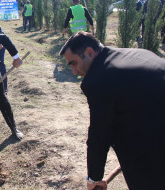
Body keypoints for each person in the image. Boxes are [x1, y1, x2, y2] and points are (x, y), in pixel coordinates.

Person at [59, 31, 165, 190]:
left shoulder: (98, 80)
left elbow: (99, 134)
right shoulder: (138, 53)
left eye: (73, 63)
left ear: (89, 52)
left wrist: (94, 179)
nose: (73, 71)